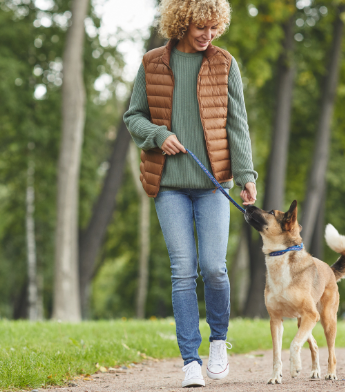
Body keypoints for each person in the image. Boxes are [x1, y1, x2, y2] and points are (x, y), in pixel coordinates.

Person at [124, 0, 258, 387]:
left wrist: (247, 173)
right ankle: (190, 362)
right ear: (182, 21)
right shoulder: (152, 62)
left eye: (215, 28)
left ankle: (218, 341)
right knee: (183, 272)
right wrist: (158, 135)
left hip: (214, 184)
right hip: (168, 185)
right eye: (202, 27)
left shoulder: (224, 63)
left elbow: (238, 124)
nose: (209, 35)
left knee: (215, 268)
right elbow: (133, 115)